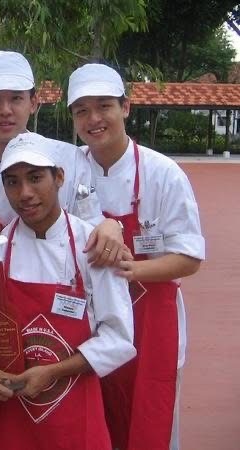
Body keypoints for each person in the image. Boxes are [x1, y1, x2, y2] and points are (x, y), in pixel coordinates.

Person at [66, 63, 205, 450]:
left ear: (125, 107)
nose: (94, 119)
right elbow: (11, 147)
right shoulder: (66, 168)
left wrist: (128, 269)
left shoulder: (164, 174)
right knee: (94, 426)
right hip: (89, 327)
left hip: (152, 323)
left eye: (104, 106)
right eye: (82, 110)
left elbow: (190, 257)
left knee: (151, 423)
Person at [0, 132, 136, 450]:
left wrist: (55, 371)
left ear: (59, 178)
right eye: (13, 182)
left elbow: (119, 337)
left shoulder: (93, 246)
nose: (25, 193)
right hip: (9, 416)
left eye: (35, 178)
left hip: (76, 415)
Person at [0, 51, 124, 266]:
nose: (5, 110)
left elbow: (93, 231)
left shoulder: (71, 160)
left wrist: (111, 226)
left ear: (33, 102)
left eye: (16, 98)